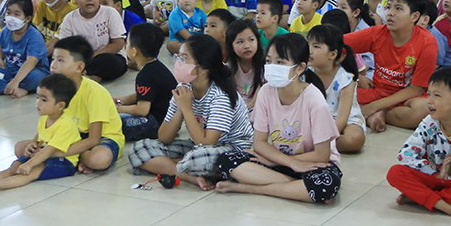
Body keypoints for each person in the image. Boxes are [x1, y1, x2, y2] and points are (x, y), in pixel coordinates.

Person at [214, 33, 342, 204]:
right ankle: (299, 188)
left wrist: (284, 163)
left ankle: (250, 188)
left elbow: (322, 155)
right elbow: (259, 143)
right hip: (279, 161)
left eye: (280, 62)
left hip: (311, 164)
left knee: (326, 183)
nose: (272, 67)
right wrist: (283, 162)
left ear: (300, 68)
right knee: (226, 160)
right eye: (268, 61)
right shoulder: (266, 92)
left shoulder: (314, 99)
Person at [127, 34, 254, 190]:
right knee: (139, 148)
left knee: (197, 159)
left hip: (232, 150)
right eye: (178, 57)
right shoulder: (184, 87)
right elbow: (164, 137)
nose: (178, 63)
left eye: (184, 58)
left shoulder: (221, 96)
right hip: (197, 146)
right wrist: (180, 108)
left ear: (203, 67)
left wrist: (187, 108)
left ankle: (167, 165)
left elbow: (207, 143)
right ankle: (190, 176)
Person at [383, 64, 451, 223]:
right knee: (395, 173)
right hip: (434, 178)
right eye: (428, 94)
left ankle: (420, 198)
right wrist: (434, 174)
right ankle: (448, 208)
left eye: (437, 95)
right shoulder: (429, 122)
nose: (429, 101)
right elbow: (406, 154)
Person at [344, 0, 438, 132]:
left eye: (398, 8)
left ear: (414, 17)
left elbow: (416, 89)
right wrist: (357, 76)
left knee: (424, 109)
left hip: (407, 99)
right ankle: (375, 115)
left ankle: (380, 114)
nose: (390, 13)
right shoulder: (376, 33)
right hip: (377, 92)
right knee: (335, 95)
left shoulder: (427, 42)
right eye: (388, 7)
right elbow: (336, 45)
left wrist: (374, 106)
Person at [0, 75, 81, 192]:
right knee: (15, 166)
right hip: (44, 154)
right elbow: (41, 137)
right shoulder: (44, 118)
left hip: (64, 161)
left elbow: (49, 150)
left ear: (60, 105)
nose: (38, 103)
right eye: (37, 97)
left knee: (31, 172)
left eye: (44, 100)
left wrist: (29, 164)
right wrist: (33, 144)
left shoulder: (65, 124)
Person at [47, 35, 125, 173]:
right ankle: (77, 157)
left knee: (99, 159)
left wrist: (55, 152)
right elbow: (49, 126)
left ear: (79, 67)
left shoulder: (95, 92)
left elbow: (94, 139)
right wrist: (37, 144)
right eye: (53, 59)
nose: (53, 65)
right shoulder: (53, 90)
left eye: (60, 60)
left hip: (102, 138)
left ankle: (77, 156)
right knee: (20, 148)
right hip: (72, 136)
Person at [307, 24, 365, 154]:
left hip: (345, 121)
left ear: (332, 54)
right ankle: (318, 144)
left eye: (316, 46)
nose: (309, 50)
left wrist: (323, 138)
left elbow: (342, 119)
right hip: (315, 119)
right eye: (308, 44)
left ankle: (316, 145)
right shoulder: (304, 75)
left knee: (354, 139)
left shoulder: (345, 80)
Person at [57, 0, 128, 82]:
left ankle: (85, 75)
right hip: (80, 59)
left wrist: (93, 56)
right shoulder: (69, 18)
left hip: (105, 57)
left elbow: (118, 44)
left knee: (114, 62)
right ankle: (87, 76)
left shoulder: (110, 13)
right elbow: (64, 48)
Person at [116, 23, 175, 142]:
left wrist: (117, 109)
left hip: (157, 123)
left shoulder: (145, 75)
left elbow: (142, 110)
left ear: (134, 51)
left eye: (127, 42)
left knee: (113, 122)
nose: (125, 45)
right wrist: (120, 100)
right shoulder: (156, 67)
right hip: (168, 121)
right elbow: (144, 95)